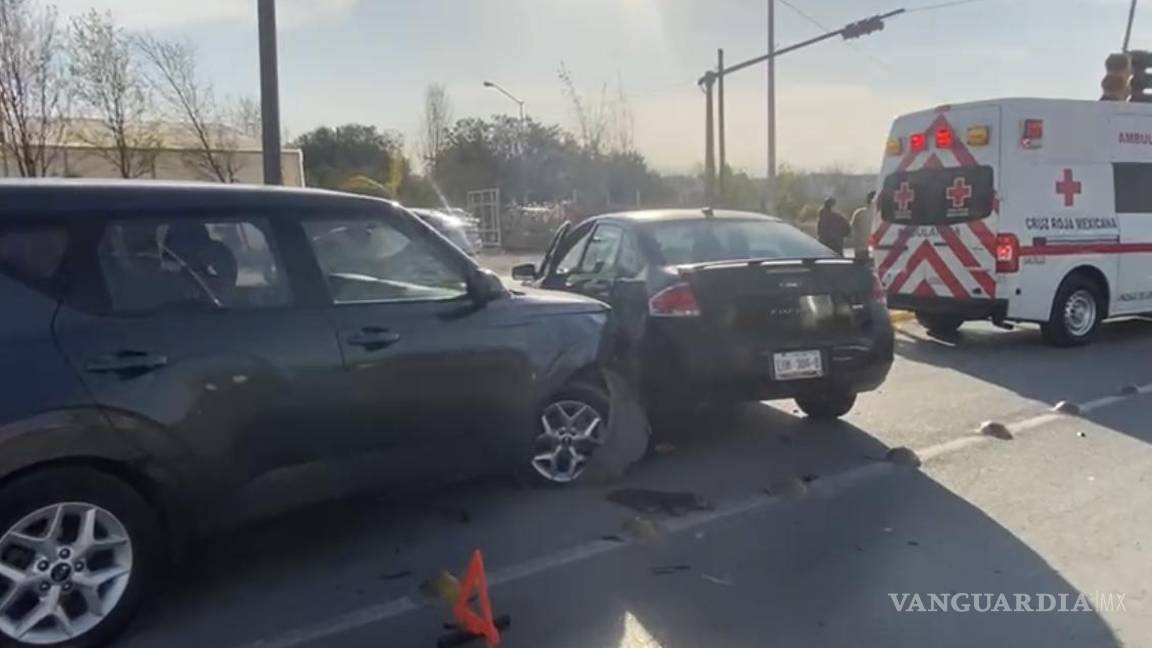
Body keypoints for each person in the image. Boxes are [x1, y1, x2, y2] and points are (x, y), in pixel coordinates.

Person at [851, 191, 878, 261]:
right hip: (877, 249)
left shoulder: (859, 213)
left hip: (861, 248)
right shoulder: (883, 215)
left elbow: (851, 229)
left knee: (860, 270)